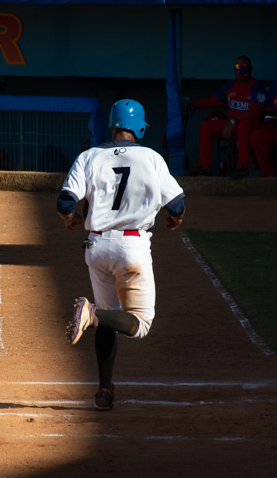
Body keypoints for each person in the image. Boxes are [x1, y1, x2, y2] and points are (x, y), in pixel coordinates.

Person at [56, 99, 186, 411]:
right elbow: (177, 204)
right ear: (139, 127)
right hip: (132, 248)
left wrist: (70, 218)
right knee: (140, 323)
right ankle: (92, 315)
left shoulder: (89, 156)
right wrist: (175, 218)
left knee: (107, 316)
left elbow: (64, 202)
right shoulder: (151, 158)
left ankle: (104, 391)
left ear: (112, 125)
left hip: (96, 247)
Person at [187, 55, 267, 179]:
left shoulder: (257, 86)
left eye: (244, 67)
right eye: (238, 67)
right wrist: (192, 105)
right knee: (206, 127)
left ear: (251, 69)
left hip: (251, 125)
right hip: (233, 125)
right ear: (234, 69)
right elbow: (214, 101)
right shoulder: (230, 85)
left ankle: (242, 167)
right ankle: (204, 166)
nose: (241, 69)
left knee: (244, 126)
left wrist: (235, 120)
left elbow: (257, 112)